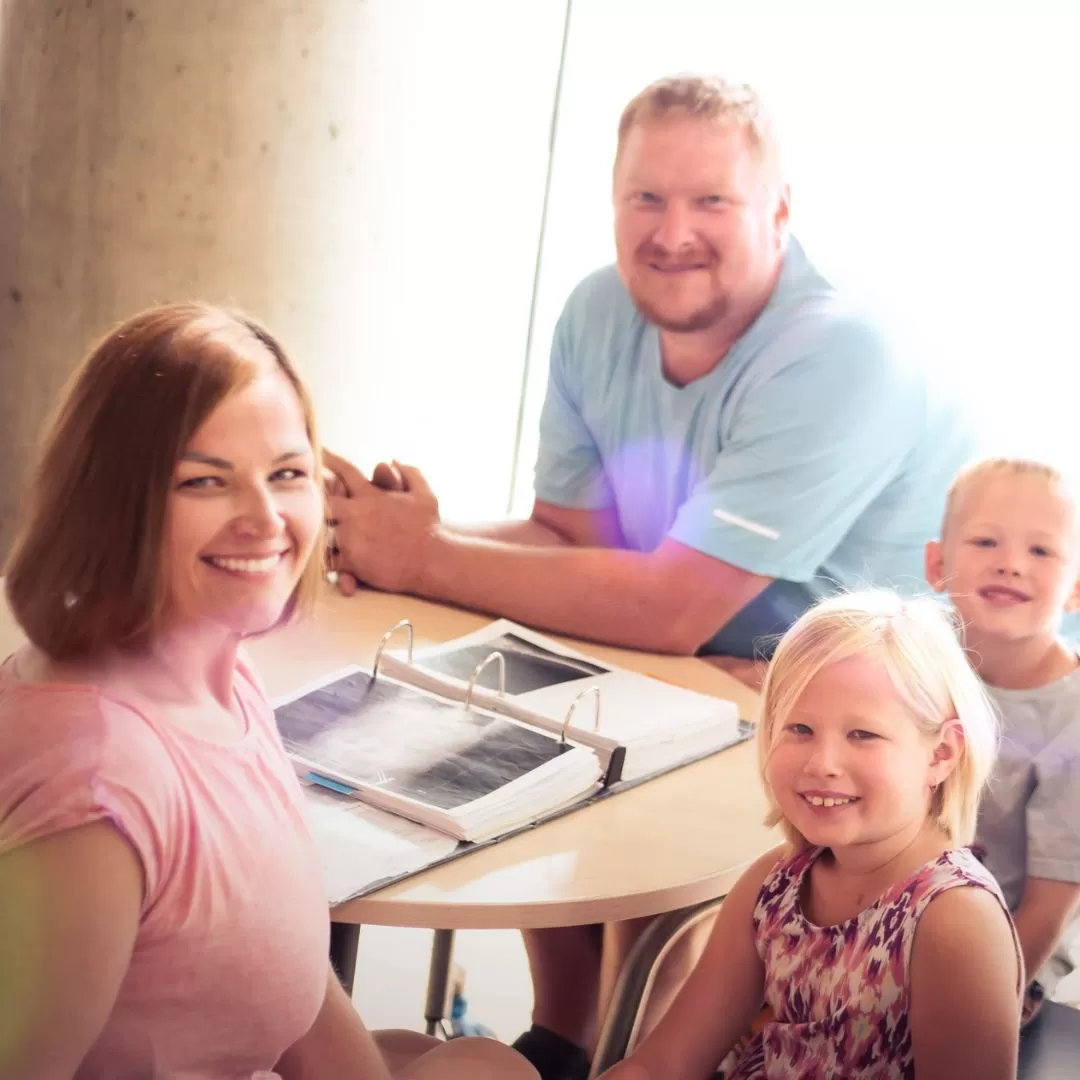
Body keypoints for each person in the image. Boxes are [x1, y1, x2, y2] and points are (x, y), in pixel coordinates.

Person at [324, 73, 975, 1077]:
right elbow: (575, 547)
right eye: (646, 198)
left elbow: (671, 605)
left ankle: (616, 1036)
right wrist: (403, 533)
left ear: (781, 212)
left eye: (712, 199)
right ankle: (566, 1037)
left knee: (626, 764)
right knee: (546, 688)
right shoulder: (596, 312)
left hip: (836, 706)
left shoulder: (842, 352)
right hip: (696, 661)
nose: (674, 232)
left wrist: (424, 555)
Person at [0, 304, 538, 1080]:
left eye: (287, 473)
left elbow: (275, 959)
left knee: (476, 1061)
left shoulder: (218, 663)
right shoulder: (96, 792)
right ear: (113, 502)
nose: (265, 519)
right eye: (204, 482)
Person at [597, 590, 1022, 1080]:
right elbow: (667, 1061)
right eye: (800, 728)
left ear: (941, 754)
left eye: (862, 735)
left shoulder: (955, 918)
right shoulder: (772, 884)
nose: (823, 764)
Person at [926, 457, 1080, 1024]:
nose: (1011, 565)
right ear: (937, 563)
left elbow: (1051, 903)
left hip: (1007, 947)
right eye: (986, 541)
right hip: (894, 909)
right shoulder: (911, 657)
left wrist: (983, 1000)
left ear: (1076, 588)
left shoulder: (1073, 727)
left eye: (1041, 551)